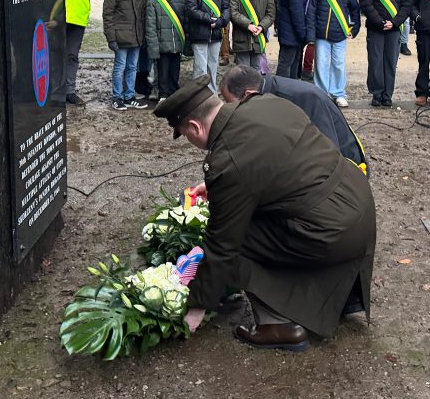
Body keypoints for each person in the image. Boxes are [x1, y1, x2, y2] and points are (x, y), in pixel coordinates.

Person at [154, 76, 376, 351]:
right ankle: (338, 300)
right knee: (262, 220)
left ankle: (278, 326)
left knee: (240, 236)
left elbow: (222, 245)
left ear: (195, 127)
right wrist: (220, 188)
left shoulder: (226, 161)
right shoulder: (265, 103)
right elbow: (279, 165)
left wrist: (196, 306)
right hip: (358, 202)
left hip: (335, 229)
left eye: (185, 135)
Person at [220, 66, 368, 171]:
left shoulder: (303, 99)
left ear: (247, 94)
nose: (232, 110)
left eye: (231, 104)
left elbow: (328, 155)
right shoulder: (262, 93)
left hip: (346, 170)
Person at [360, 0, 415, 107]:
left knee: (390, 61)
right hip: (375, 27)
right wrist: (379, 22)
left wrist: (395, 22)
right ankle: (376, 94)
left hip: (394, 28)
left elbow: (407, 4)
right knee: (375, 61)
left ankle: (387, 94)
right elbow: (366, 4)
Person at [306, 0, 359, 107]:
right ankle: (321, 93)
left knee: (339, 64)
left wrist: (354, 29)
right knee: (321, 64)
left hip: (340, 35)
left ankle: (338, 93)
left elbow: (354, 9)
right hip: (322, 34)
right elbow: (311, 12)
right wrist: (311, 34)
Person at [103, 0, 149, 111]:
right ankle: (117, 97)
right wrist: (111, 38)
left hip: (136, 35)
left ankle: (129, 96)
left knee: (132, 67)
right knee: (120, 67)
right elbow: (107, 16)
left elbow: (142, 12)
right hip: (121, 36)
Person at [185, 0, 231, 92]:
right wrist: (209, 19)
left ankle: (212, 93)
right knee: (200, 67)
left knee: (213, 65)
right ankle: (198, 94)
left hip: (215, 33)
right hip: (199, 33)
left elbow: (226, 8)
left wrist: (220, 22)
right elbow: (191, 10)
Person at [145, 0, 186, 104]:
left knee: (175, 70)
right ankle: (163, 93)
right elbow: (150, 26)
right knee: (162, 71)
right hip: (162, 43)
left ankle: (174, 92)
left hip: (176, 43)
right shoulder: (154, 0)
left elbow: (184, 22)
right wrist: (153, 47)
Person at [231, 0, 276, 72]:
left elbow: (270, 14)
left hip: (258, 37)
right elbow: (233, 12)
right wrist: (248, 25)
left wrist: (261, 26)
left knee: (257, 70)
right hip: (242, 37)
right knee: (243, 70)